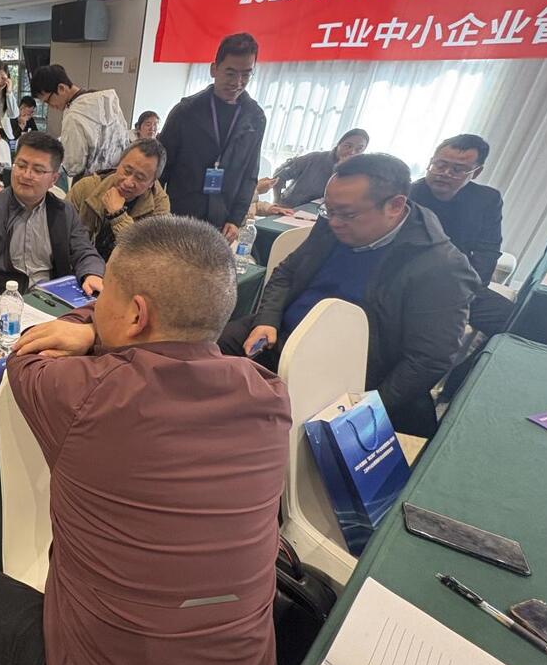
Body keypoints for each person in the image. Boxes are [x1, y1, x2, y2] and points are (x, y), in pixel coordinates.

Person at [0, 215, 291, 665]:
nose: (97, 302)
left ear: (136, 314)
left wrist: (87, 328)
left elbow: (25, 358)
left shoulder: (88, 395)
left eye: (106, 294)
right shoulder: (270, 396)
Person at [219, 153, 481, 437]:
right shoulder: (335, 222)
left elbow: (429, 359)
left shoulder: (441, 267)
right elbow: (287, 273)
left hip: (346, 370)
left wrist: (363, 410)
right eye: (328, 210)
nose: (334, 222)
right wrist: (267, 320)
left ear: (395, 206)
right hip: (280, 335)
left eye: (346, 214)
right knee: (201, 354)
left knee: (269, 431)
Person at [0, 131, 105, 300]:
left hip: (53, 301)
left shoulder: (64, 212)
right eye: (21, 166)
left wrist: (92, 273)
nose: (26, 175)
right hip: (1, 300)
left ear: (53, 179)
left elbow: (84, 251)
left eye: (37, 170)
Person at [158, 33, 267, 243]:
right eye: (230, 73)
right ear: (214, 69)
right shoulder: (186, 111)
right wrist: (157, 213)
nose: (237, 82)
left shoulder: (255, 117)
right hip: (179, 218)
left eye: (246, 75)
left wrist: (235, 219)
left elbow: (250, 174)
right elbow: (160, 170)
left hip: (222, 223)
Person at [410, 133, 513, 336]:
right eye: (440, 165)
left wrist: (470, 287)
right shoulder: (408, 195)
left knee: (514, 320)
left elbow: (488, 250)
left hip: (461, 283)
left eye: (457, 170)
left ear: (476, 172)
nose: (445, 173)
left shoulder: (487, 199)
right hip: (413, 282)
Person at [66, 138, 171, 261]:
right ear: (118, 164)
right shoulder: (86, 188)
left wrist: (118, 215)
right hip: (81, 264)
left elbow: (148, 257)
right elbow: (61, 232)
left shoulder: (159, 206)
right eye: (127, 171)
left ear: (152, 183)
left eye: (140, 178)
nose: (128, 182)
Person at [30, 64, 129, 184]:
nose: (50, 106)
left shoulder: (74, 116)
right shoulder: (108, 101)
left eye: (48, 101)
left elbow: (73, 165)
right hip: (117, 178)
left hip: (90, 184)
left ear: (61, 88)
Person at [272, 128, 369, 209]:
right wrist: (277, 202)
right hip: (291, 208)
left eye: (359, 149)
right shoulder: (314, 159)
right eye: (348, 146)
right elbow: (279, 175)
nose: (352, 152)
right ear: (338, 144)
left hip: (325, 214)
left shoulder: (358, 171)